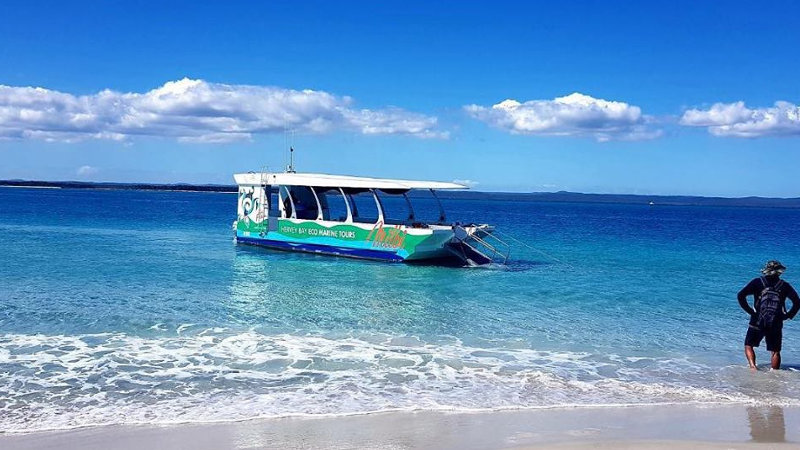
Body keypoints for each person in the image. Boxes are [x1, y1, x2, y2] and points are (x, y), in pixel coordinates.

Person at [738, 260, 800, 370]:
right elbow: (797, 302)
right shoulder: (784, 286)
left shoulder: (757, 282)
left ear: (766, 270)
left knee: (749, 345)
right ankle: (775, 373)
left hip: (757, 320)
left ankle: (753, 368)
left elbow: (740, 295)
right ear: (780, 272)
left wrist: (750, 311)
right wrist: (788, 315)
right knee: (775, 351)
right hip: (776, 322)